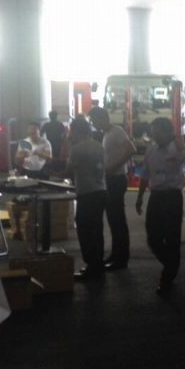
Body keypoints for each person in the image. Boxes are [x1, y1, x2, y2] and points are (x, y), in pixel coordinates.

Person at [136, 117, 185, 295]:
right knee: (153, 239)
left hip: (172, 197)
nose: (154, 136)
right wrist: (139, 197)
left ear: (168, 133)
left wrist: (179, 142)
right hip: (156, 197)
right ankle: (171, 265)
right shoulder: (150, 150)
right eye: (153, 133)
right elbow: (145, 175)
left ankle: (167, 277)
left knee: (172, 238)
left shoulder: (175, 149)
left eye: (158, 132)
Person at [88, 106, 136, 271]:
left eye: (94, 120)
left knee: (117, 220)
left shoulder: (117, 131)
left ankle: (121, 258)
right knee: (113, 220)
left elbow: (131, 149)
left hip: (116, 179)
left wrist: (114, 167)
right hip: (110, 179)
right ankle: (116, 255)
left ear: (102, 118)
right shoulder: (107, 134)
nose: (93, 124)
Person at [66, 117, 106, 280]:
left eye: (71, 131)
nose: (70, 134)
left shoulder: (77, 149)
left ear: (77, 131)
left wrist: (51, 172)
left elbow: (68, 170)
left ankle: (91, 266)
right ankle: (98, 265)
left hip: (86, 193)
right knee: (97, 229)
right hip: (100, 190)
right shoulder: (98, 145)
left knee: (85, 230)